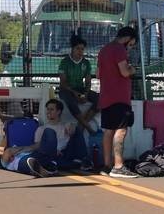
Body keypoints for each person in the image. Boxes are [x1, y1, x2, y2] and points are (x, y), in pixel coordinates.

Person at [96, 26, 139, 178]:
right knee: (121, 130)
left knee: (108, 131)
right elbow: (125, 72)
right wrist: (133, 69)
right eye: (131, 44)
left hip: (106, 97)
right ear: (127, 38)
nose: (130, 48)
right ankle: (119, 166)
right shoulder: (119, 50)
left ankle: (107, 165)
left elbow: (98, 74)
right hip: (119, 98)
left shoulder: (103, 50)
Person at [56, 35, 99, 134]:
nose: (80, 51)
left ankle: (82, 124)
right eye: (78, 48)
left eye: (82, 49)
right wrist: (75, 93)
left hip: (80, 89)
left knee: (100, 99)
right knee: (71, 102)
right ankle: (87, 126)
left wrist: (86, 93)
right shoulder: (64, 62)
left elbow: (88, 81)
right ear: (72, 49)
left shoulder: (86, 63)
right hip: (66, 90)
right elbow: (63, 82)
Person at [41, 98, 93, 171]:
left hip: (68, 152)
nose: (48, 112)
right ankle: (77, 163)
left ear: (58, 112)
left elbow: (73, 135)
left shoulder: (66, 125)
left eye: (51, 109)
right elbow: (39, 145)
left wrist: (72, 127)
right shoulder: (42, 128)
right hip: (55, 154)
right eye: (48, 109)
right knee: (49, 132)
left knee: (77, 130)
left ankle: (82, 160)